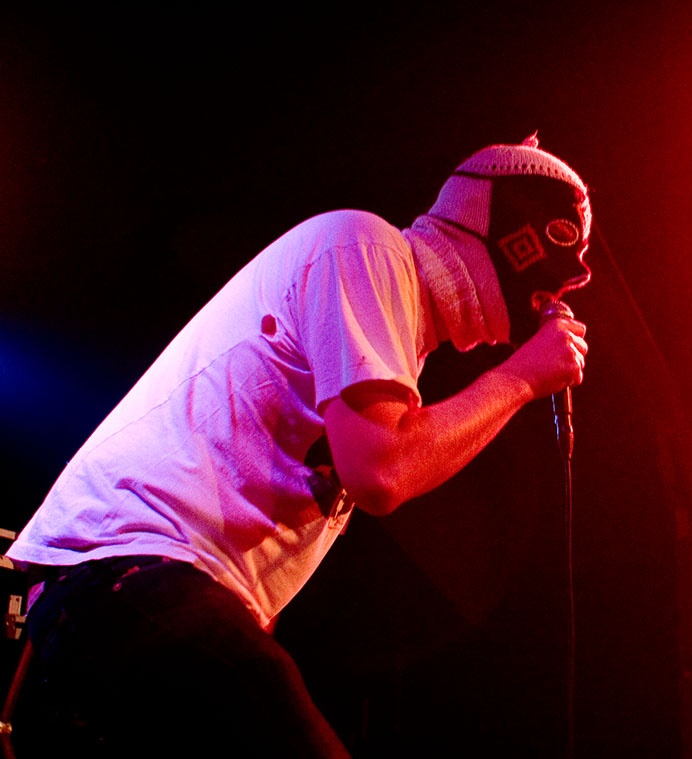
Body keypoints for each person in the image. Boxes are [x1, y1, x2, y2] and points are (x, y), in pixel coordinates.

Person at [4, 135, 592, 756]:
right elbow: (381, 472)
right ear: (497, 224)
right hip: (124, 575)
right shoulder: (367, 248)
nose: (579, 276)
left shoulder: (395, 337)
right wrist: (521, 379)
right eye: (565, 242)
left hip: (119, 605)